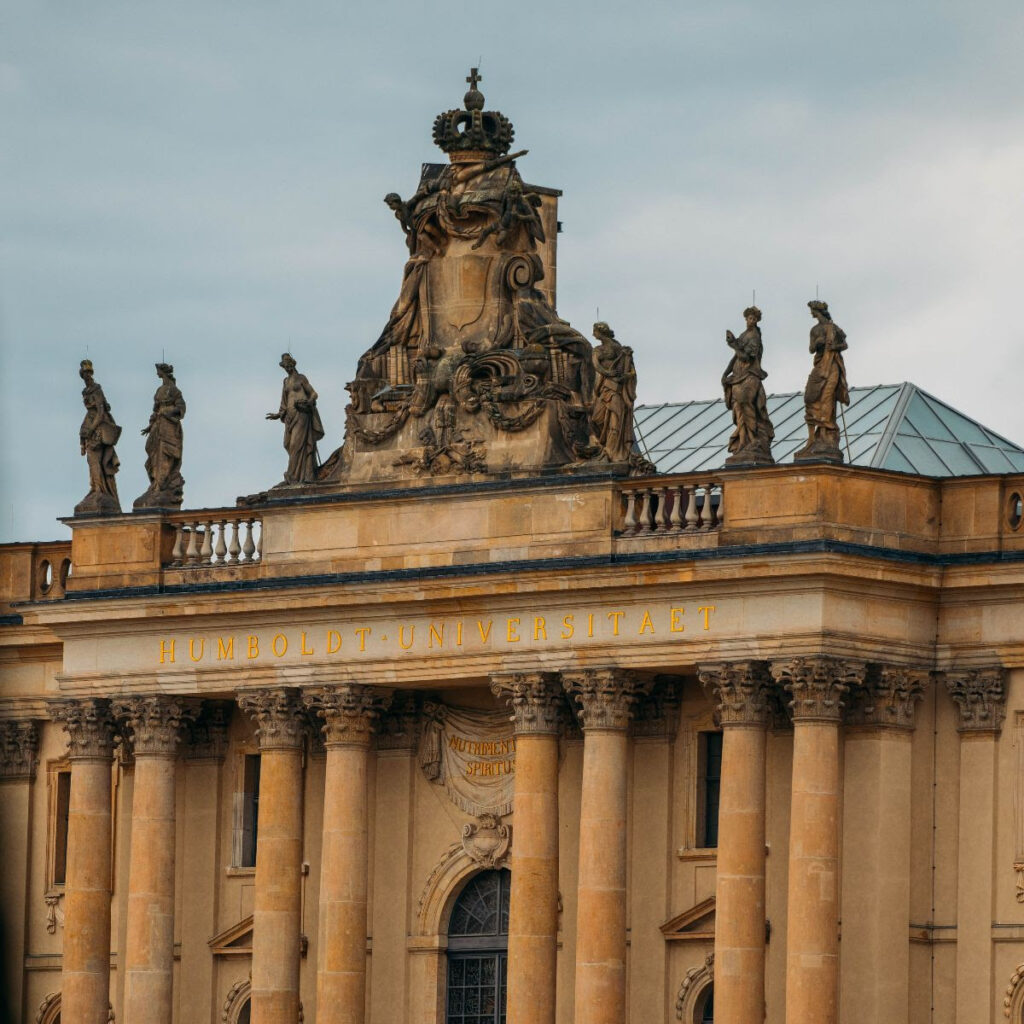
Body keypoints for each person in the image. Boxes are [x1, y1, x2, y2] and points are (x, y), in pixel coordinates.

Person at [798, 300, 849, 458]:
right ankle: (812, 439)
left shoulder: (834, 328)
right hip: (820, 366)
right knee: (810, 398)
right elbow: (811, 349)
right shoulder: (814, 330)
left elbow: (844, 344)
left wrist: (834, 347)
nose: (811, 313)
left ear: (818, 311)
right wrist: (818, 343)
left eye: (813, 310)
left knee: (827, 398)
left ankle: (826, 434)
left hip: (832, 366)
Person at [722, 306, 774, 461]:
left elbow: (746, 357)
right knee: (739, 409)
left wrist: (733, 344)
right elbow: (736, 358)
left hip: (750, 375)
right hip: (738, 376)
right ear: (746, 319)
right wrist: (725, 373)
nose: (751, 321)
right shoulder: (744, 335)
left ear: (756, 320)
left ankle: (754, 439)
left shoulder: (754, 336)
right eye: (749, 318)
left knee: (746, 405)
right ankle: (743, 442)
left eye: (754, 319)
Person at [266, 353, 324, 484]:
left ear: (292, 364)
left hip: (302, 414)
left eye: (288, 366)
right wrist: (278, 414)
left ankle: (292, 477)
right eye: (285, 367)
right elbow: (284, 401)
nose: (287, 369)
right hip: (289, 418)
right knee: (288, 444)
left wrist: (308, 402)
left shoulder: (301, 378)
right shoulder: (286, 381)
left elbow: (314, 394)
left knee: (295, 445)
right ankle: (300, 475)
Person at [77, 359, 122, 512]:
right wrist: (84, 434)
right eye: (84, 374)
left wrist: (91, 429)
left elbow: (101, 412)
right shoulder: (86, 391)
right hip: (90, 421)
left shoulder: (96, 389)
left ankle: (98, 488)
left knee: (94, 458)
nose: (87, 376)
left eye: (88, 373)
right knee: (91, 460)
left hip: (98, 425)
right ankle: (95, 487)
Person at [590, 322, 638, 463]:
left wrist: (625, 375)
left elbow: (630, 370)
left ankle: (612, 451)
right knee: (596, 418)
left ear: (600, 332)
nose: (593, 334)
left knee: (616, 419)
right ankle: (605, 445)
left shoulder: (618, 348)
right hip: (604, 387)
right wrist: (608, 373)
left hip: (616, 389)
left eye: (595, 331)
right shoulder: (597, 349)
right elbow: (596, 365)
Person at [138, 363, 185, 505]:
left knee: (165, 454)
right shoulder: (159, 390)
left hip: (169, 426)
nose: (156, 373)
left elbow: (181, 408)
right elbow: (155, 410)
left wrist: (167, 411)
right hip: (158, 426)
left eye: (158, 370)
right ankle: (155, 485)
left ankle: (161, 485)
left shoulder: (174, 390)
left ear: (162, 372)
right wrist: (150, 425)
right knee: (152, 451)